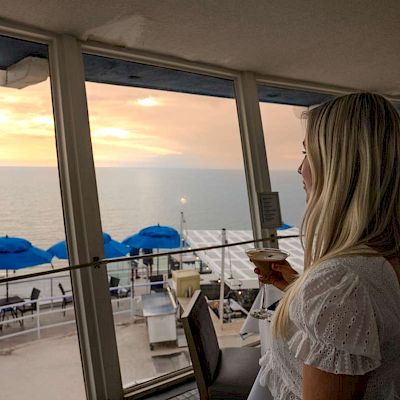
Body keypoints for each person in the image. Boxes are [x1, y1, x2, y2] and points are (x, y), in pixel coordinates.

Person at [254, 93, 400, 399]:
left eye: (307, 153)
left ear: (340, 165)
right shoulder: (372, 264)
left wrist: (323, 291)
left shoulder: (340, 283)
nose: (300, 168)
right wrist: (297, 286)